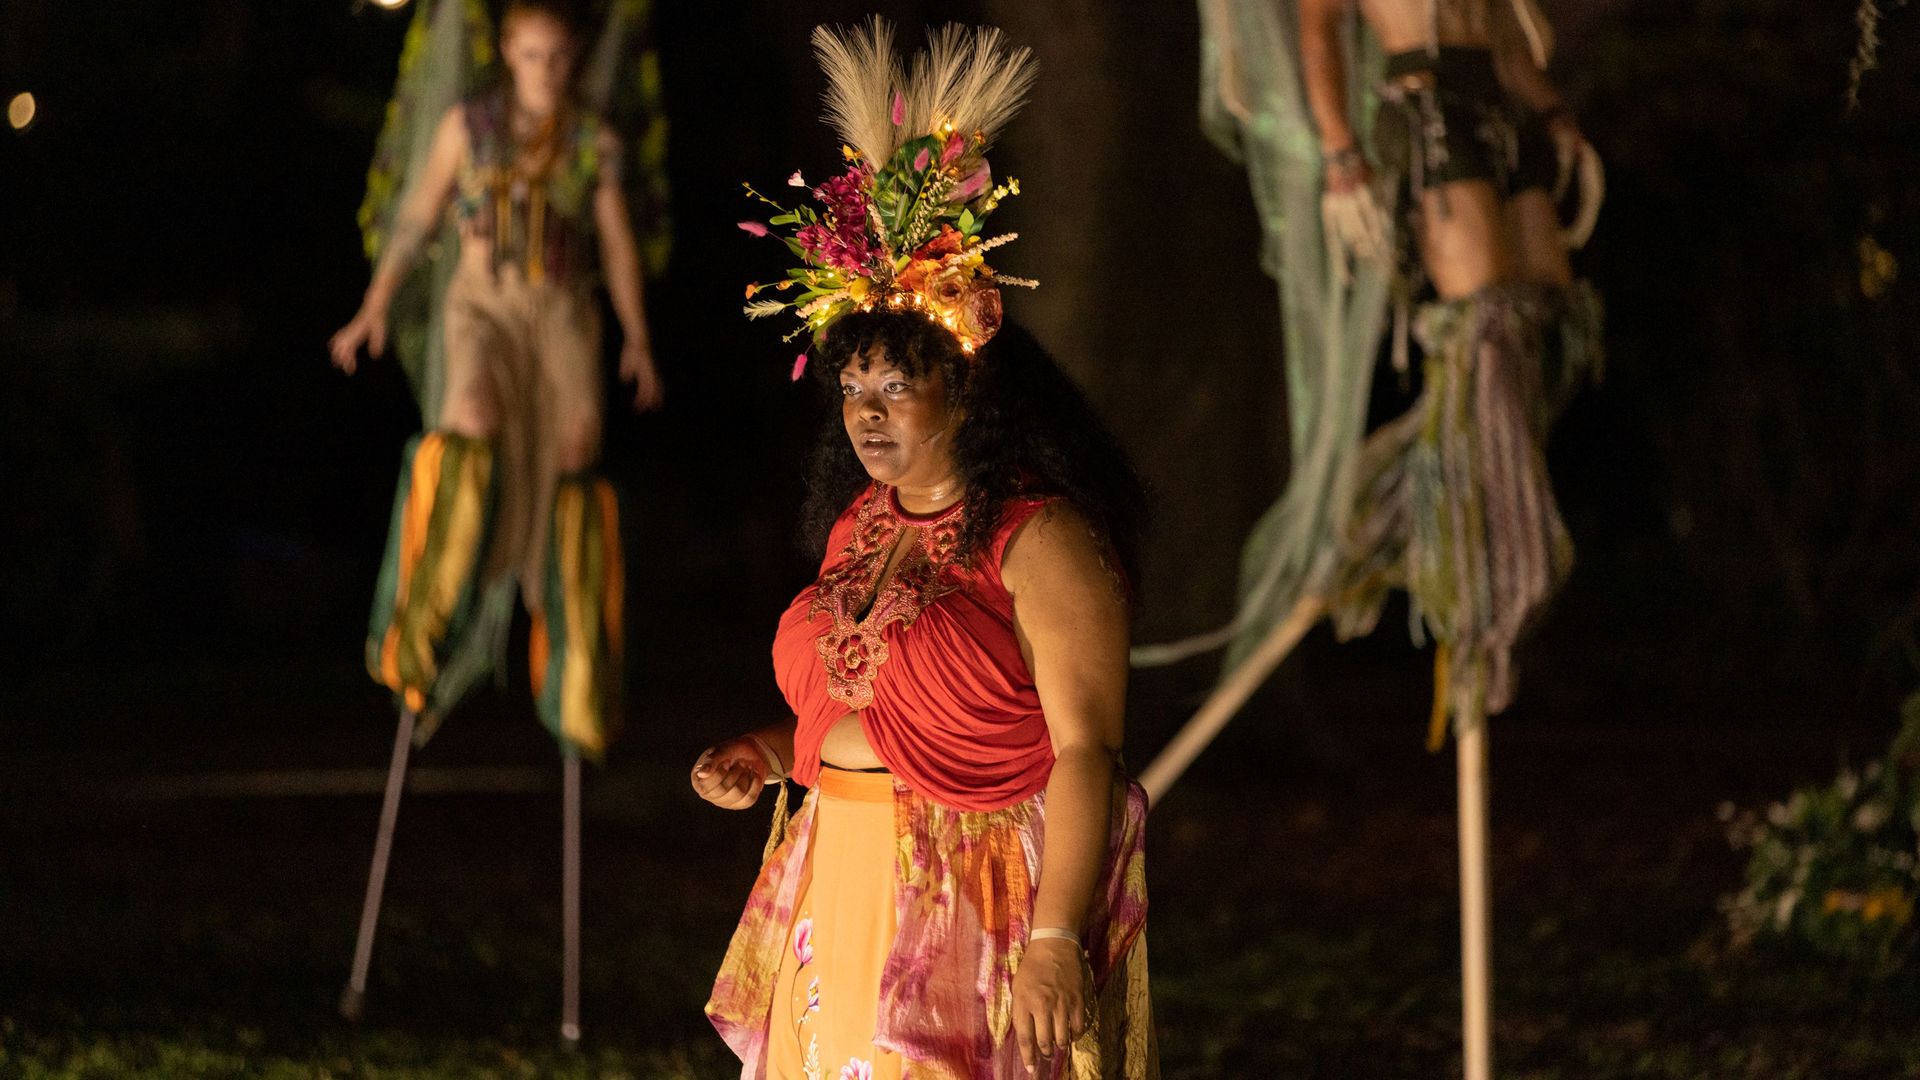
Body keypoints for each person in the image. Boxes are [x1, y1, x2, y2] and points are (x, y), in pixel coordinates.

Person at [701, 21, 1157, 1079]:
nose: (866, 414)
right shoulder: (863, 526)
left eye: (895, 386)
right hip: (837, 865)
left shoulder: (1039, 540)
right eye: (854, 390)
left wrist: (1052, 941)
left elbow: (1087, 752)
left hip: (973, 892)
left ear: (966, 386)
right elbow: (866, 698)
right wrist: (771, 753)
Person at [329, 0, 661, 751]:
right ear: (507, 52)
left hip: (561, 315)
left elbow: (615, 246)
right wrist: (374, 305)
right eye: (531, 54)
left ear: (572, 59)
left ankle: (577, 674)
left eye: (557, 56)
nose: (545, 70)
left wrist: (637, 338)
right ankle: (425, 622)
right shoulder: (467, 126)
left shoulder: (590, 141)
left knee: (573, 453)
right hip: (481, 306)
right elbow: (415, 217)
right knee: (471, 419)